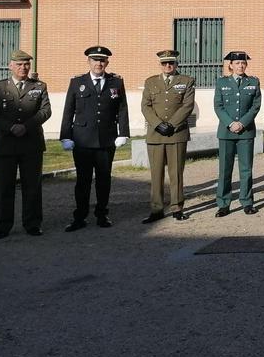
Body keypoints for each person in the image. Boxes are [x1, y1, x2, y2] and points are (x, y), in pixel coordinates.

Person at [59, 46, 129, 232]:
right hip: (82, 140)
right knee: (83, 181)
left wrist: (123, 132)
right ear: (88, 62)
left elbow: (122, 109)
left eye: (102, 60)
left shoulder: (116, 82)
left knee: (104, 180)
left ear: (107, 62)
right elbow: (68, 110)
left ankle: (102, 214)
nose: (99, 63)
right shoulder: (77, 82)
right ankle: (79, 217)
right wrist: (66, 136)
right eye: (95, 60)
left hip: (106, 140)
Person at [0, 49, 51, 239]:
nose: (24, 68)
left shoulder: (39, 86)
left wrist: (26, 126)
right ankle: (2, 226)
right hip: (5, 145)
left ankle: (33, 224)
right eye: (20, 64)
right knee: (4, 187)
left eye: (27, 64)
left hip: (31, 144)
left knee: (32, 187)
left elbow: (45, 111)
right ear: (11, 66)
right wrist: (11, 127)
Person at [140, 50, 196, 223]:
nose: (168, 66)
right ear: (160, 65)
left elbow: (187, 106)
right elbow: (145, 106)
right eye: (164, 63)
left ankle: (177, 207)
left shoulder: (186, 81)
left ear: (176, 64)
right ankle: (156, 209)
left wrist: (172, 124)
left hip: (176, 133)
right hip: (156, 134)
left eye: (171, 63)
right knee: (156, 174)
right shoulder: (151, 82)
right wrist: (158, 124)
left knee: (176, 173)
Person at [214, 51, 262, 217]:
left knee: (246, 169)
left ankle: (247, 202)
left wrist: (242, 123)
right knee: (225, 170)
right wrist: (230, 123)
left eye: (243, 63)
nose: (240, 66)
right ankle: (223, 203)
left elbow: (255, 106)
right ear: (230, 65)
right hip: (226, 132)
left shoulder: (253, 82)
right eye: (237, 63)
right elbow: (218, 106)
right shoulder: (221, 82)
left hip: (246, 132)